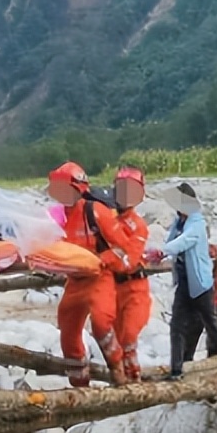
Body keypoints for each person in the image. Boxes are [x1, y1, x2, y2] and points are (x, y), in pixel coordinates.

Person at [48, 161, 134, 387]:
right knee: (68, 331)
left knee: (101, 324)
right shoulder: (55, 217)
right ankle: (79, 385)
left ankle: (118, 370)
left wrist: (102, 260)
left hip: (99, 277)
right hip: (74, 282)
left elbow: (123, 246)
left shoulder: (96, 212)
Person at [152, 182, 217, 379]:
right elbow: (172, 241)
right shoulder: (178, 222)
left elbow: (184, 242)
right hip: (184, 282)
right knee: (176, 325)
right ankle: (176, 370)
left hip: (200, 284)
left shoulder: (197, 223)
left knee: (210, 322)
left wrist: (163, 251)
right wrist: (159, 253)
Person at [109, 167, 151, 382]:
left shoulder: (138, 226)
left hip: (135, 289)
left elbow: (129, 259)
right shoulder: (106, 217)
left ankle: (134, 380)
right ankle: (121, 381)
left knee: (129, 336)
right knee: (115, 341)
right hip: (112, 289)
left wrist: (105, 259)